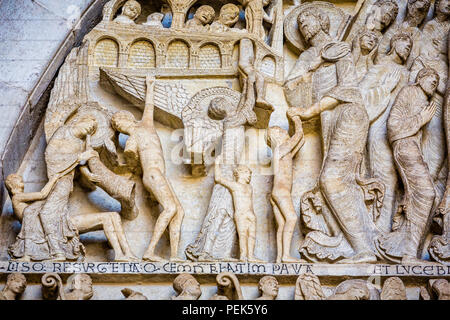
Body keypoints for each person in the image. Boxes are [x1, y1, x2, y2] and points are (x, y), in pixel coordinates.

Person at [287, 6, 380, 264]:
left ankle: (363, 249)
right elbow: (290, 86)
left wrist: (311, 110)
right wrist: (305, 76)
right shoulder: (307, 56)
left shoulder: (338, 48)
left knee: (332, 180)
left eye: (309, 19)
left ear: (322, 20)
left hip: (348, 114)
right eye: (300, 24)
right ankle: (350, 240)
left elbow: (348, 88)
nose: (304, 26)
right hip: (329, 120)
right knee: (331, 183)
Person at [111, 78, 185, 262]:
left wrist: (150, 86)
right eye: (116, 127)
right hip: (152, 175)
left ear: (128, 118)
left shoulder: (144, 126)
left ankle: (174, 255)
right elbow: (131, 159)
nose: (118, 126)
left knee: (179, 211)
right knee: (169, 208)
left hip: (159, 175)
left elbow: (149, 106)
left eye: (118, 122)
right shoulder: (132, 139)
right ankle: (150, 251)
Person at [376, 68, 440, 264]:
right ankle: (409, 255)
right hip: (404, 147)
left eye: (437, 81)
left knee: (425, 196)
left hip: (411, 148)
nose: (435, 83)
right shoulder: (409, 92)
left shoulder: (422, 98)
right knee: (427, 194)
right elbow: (393, 126)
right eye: (432, 79)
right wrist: (421, 119)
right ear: (420, 78)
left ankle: (409, 250)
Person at [5, 173, 138, 262]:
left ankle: (124, 253)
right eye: (19, 180)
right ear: (12, 185)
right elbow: (42, 194)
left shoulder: (25, 203)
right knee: (107, 217)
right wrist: (54, 179)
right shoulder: (17, 198)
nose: (22, 182)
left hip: (58, 223)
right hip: (59, 227)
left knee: (113, 216)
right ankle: (121, 254)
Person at [266, 113, 304, 263]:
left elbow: (301, 141)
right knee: (292, 218)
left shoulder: (283, 153)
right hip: (282, 191)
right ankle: (286, 255)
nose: (285, 133)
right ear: (276, 137)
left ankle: (280, 257)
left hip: (277, 192)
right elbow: (299, 135)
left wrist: (300, 135)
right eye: (281, 132)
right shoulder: (281, 148)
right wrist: (296, 119)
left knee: (282, 224)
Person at [214, 158, 262, 262]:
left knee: (252, 234)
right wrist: (217, 163)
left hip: (251, 214)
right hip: (241, 214)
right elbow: (218, 178)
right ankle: (243, 256)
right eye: (247, 173)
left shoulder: (249, 187)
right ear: (239, 173)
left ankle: (251, 256)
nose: (249, 176)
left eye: (250, 173)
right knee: (243, 234)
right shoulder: (235, 186)